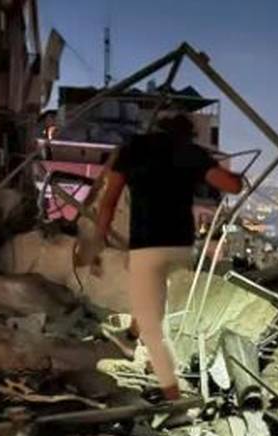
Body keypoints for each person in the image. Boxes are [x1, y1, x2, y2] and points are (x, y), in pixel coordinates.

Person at [82, 113, 243, 401]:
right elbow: (231, 186)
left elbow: (108, 202)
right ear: (187, 134)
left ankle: (172, 395)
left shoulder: (133, 150)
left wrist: (98, 241)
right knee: (162, 308)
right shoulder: (189, 152)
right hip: (180, 246)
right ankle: (133, 339)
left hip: (147, 246)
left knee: (153, 319)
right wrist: (234, 177)